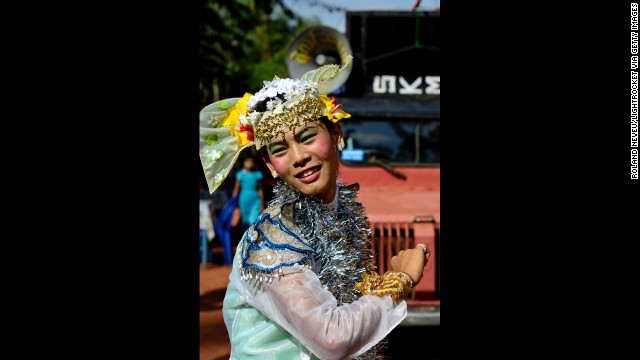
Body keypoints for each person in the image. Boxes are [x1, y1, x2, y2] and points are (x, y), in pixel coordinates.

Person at [198, 56, 430, 360]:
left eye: (307, 137)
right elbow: (331, 338)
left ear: (337, 136)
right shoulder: (275, 239)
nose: (298, 157)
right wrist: (400, 280)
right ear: (269, 165)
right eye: (280, 149)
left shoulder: (342, 210)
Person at [231, 156, 264, 231]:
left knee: (254, 220)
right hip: (244, 199)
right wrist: (232, 202)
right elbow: (236, 189)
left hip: (255, 199)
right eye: (247, 161)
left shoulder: (257, 174)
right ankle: (245, 240)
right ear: (244, 163)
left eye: (251, 162)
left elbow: (260, 189)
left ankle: (254, 239)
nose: (249, 163)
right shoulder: (240, 174)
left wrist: (262, 203)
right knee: (245, 221)